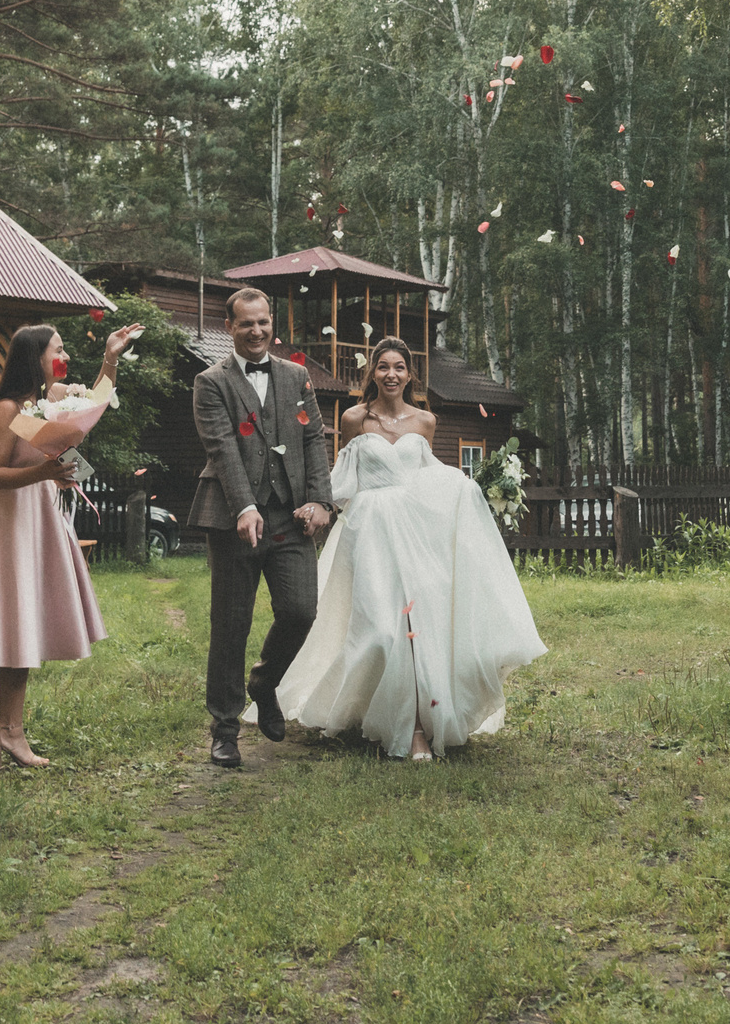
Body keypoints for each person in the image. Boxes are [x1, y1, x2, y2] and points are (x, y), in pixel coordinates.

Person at [278, 337, 544, 758]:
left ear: (410, 374)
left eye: (399, 367)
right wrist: (319, 505)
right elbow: (342, 478)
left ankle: (417, 728)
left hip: (418, 534)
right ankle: (367, 708)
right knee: (381, 632)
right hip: (370, 533)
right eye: (383, 367)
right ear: (372, 374)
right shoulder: (352, 419)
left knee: (419, 630)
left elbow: (429, 476)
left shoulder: (426, 421)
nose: (391, 375)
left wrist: (469, 490)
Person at [0, 319, 137, 768]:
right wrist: (43, 473)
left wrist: (111, 356)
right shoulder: (10, 408)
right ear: (36, 357)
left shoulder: (51, 402)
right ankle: (9, 731)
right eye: (58, 349)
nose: (63, 356)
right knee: (13, 621)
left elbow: (97, 402)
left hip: (38, 516)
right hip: (7, 518)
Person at [190, 287, 332, 769]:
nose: (256, 331)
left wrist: (320, 500)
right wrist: (244, 506)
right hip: (234, 520)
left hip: (290, 517)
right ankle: (225, 729)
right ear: (229, 327)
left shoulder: (297, 377)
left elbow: (314, 439)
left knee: (301, 611)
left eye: (263, 322)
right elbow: (222, 448)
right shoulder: (210, 382)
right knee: (231, 623)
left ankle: (264, 683)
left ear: (273, 324)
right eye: (246, 323)